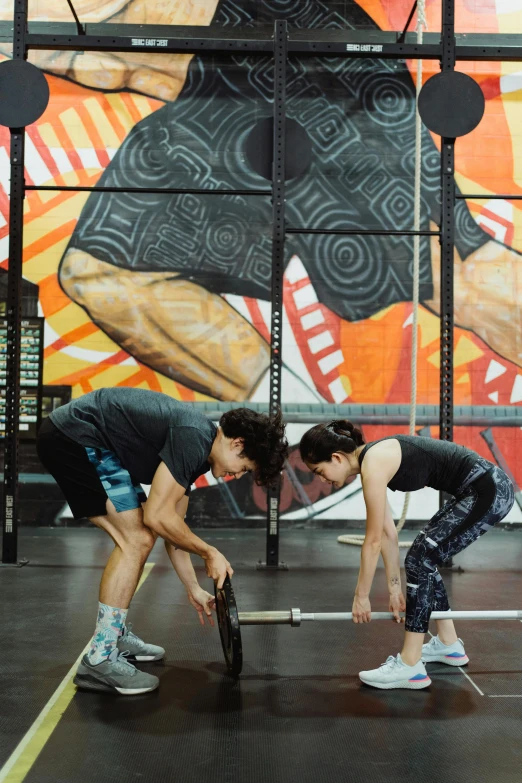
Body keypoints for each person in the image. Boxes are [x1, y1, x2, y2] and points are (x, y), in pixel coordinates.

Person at [36, 387, 288, 695]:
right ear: (237, 444)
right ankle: (100, 659)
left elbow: (173, 526)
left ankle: (112, 635)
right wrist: (210, 552)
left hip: (86, 438)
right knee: (137, 539)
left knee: (140, 536)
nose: (236, 475)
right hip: (74, 436)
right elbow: (157, 517)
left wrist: (192, 587)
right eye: (244, 468)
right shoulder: (194, 437)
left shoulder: (197, 449)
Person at [299, 420, 514, 690]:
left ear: (336, 457)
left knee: (421, 558)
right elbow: (388, 532)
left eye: (320, 471)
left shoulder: (373, 462)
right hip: (480, 490)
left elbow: (373, 540)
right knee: (424, 557)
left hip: (488, 490)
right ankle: (449, 646)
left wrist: (361, 596)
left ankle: (410, 665)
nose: (322, 480)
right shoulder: (373, 461)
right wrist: (393, 588)